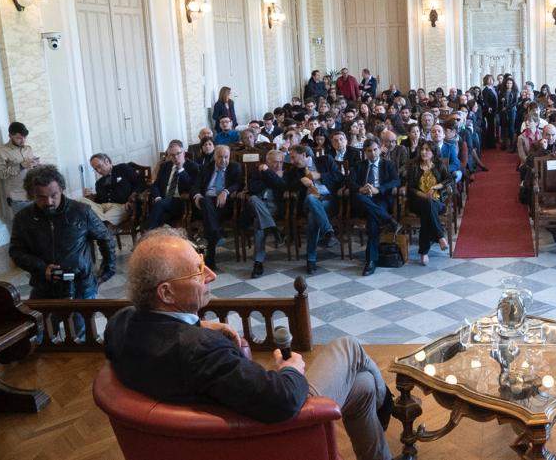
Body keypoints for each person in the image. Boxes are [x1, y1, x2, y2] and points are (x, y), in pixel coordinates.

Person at [105, 229, 393, 460]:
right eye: (197, 271)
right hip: (275, 433)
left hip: (214, 428)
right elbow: (283, 401)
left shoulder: (121, 324)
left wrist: (197, 324)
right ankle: (390, 402)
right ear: (166, 293)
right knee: (349, 346)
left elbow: (158, 332)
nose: (211, 276)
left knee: (363, 386)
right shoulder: (201, 350)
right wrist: (290, 368)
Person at [9, 165, 117, 301]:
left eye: (53, 195)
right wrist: (42, 268)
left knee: (81, 323)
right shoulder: (23, 218)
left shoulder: (82, 211)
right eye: (41, 197)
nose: (48, 202)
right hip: (43, 287)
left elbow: (105, 238)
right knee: (43, 322)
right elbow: (16, 251)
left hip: (81, 287)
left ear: (61, 189)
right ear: (32, 195)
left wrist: (106, 272)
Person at [349, 138, 401, 276]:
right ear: (364, 152)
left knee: (373, 220)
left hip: (380, 199)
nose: (372, 153)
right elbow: (349, 183)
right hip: (364, 198)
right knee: (360, 197)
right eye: (369, 151)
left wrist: (379, 189)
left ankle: (371, 261)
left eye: (375, 149)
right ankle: (389, 220)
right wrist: (361, 189)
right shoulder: (359, 165)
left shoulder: (388, 164)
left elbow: (396, 181)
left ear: (379, 148)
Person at [288, 144, 341, 274]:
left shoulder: (325, 160)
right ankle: (328, 231)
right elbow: (287, 186)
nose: (292, 161)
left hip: (328, 200)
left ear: (304, 155)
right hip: (308, 202)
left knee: (313, 217)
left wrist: (320, 176)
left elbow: (339, 177)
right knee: (312, 199)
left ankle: (311, 259)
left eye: (294, 157)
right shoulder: (294, 170)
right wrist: (301, 182)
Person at [191, 145, 243, 270]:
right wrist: (197, 195)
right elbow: (195, 186)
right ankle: (216, 234)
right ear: (214, 157)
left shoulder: (234, 167)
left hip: (224, 205)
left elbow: (238, 184)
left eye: (226, 157)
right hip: (206, 202)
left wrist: (226, 191)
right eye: (220, 157)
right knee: (205, 201)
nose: (224, 160)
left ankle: (211, 254)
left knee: (208, 210)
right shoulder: (206, 168)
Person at [406, 143, 453, 265]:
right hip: (418, 202)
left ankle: (424, 251)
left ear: (433, 152)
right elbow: (410, 188)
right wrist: (425, 196)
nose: (423, 152)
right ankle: (440, 236)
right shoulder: (414, 166)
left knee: (428, 211)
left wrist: (436, 187)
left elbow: (449, 179)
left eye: (427, 150)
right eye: (422, 149)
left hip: (437, 202)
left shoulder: (439, 165)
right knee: (427, 205)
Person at [246, 150, 288, 278]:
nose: (279, 165)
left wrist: (268, 174)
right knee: (253, 198)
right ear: (267, 162)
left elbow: (282, 186)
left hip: (273, 206)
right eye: (275, 162)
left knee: (259, 223)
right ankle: (274, 229)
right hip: (258, 204)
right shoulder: (256, 171)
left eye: (281, 162)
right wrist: (270, 176)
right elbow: (253, 189)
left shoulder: (285, 173)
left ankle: (258, 262)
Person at [144, 141, 198, 230]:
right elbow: (155, 184)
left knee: (158, 211)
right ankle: (156, 239)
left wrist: (181, 169)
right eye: (172, 155)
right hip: (163, 201)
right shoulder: (165, 166)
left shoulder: (193, 167)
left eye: (178, 154)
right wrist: (157, 198)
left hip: (181, 202)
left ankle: (147, 234)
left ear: (184, 153)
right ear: (169, 156)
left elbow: (192, 186)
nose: (176, 157)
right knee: (162, 217)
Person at [83, 153, 142, 226]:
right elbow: (99, 200)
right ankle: (101, 223)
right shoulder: (99, 183)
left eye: (99, 166)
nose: (98, 171)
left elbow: (139, 183)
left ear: (107, 161)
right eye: (95, 169)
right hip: (102, 207)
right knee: (80, 200)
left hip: (120, 207)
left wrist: (132, 199)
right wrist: (91, 197)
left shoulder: (122, 168)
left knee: (97, 222)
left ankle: (100, 224)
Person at [0, 121, 39, 214]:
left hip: (34, 194)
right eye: (18, 138)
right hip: (18, 198)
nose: (23, 141)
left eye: (24, 137)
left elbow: (30, 169)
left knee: (39, 226)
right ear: (10, 136)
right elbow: (0, 174)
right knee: (22, 227)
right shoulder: (0, 151)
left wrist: (36, 165)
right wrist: (21, 166)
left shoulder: (28, 149)